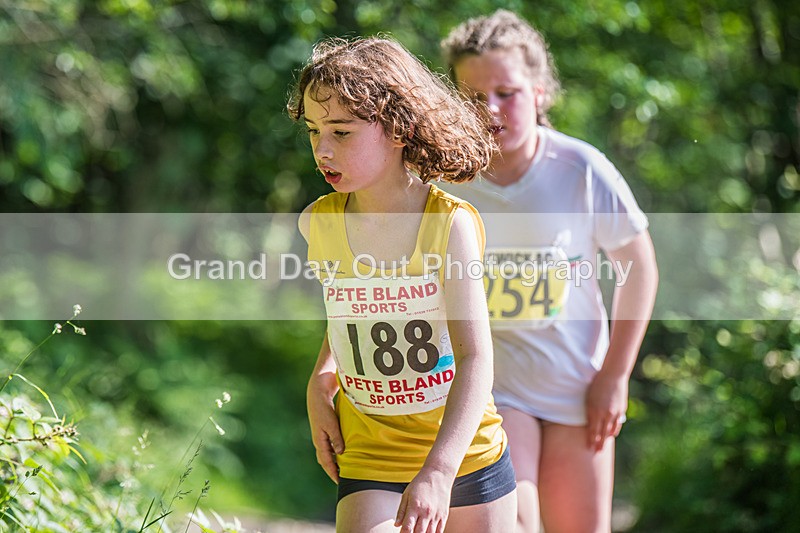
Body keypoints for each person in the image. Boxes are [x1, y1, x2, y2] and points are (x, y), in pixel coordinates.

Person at [440, 10, 659, 533]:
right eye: (473, 96)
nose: (490, 109)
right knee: (513, 521)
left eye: (507, 92)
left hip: (576, 386)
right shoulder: (445, 179)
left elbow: (639, 270)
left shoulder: (581, 170)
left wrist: (615, 376)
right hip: (494, 390)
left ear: (539, 93)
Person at [288, 36, 517, 533]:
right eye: (313, 131)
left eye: (342, 132)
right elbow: (355, 313)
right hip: (371, 452)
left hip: (464, 457)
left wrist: (438, 471)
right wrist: (319, 378)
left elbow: (476, 356)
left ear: (397, 128)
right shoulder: (317, 223)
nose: (322, 149)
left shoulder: (448, 225)